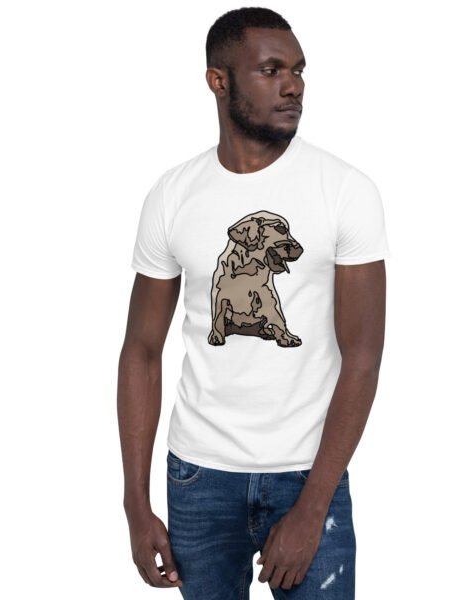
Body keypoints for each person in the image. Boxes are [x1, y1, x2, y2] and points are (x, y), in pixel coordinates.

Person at [117, 7, 390, 599]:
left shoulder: (345, 190)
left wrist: (313, 506)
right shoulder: (173, 195)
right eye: (271, 70)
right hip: (197, 477)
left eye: (298, 70)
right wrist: (135, 504)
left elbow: (364, 357)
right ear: (219, 81)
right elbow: (141, 351)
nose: (293, 86)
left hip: (308, 473)